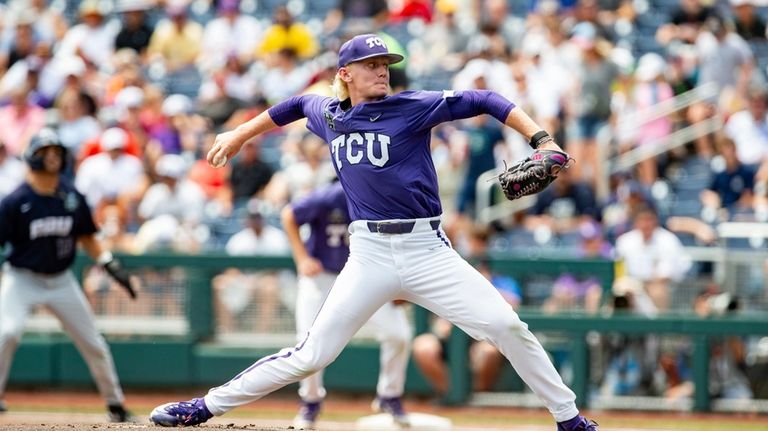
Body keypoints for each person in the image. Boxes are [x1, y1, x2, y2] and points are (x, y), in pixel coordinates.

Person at [150, 34, 599, 431]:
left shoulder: (412, 107)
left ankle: (570, 420)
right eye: (372, 64)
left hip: (427, 249)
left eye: (386, 64)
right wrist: (240, 134)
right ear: (345, 74)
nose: (383, 70)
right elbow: (288, 107)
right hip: (368, 254)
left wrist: (542, 140)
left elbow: (486, 98)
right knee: (311, 356)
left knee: (506, 325)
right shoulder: (326, 112)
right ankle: (204, 407)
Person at [0, 129, 135, 421]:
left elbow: (87, 238)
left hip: (61, 280)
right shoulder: (14, 201)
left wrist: (110, 264)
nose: (52, 157)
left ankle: (116, 406)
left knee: (93, 344)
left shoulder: (72, 195)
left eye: (56, 151)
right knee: (6, 333)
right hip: (22, 277)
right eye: (45, 151)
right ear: (32, 156)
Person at [281, 181, 412, 428]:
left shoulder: (384, 196)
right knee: (308, 341)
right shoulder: (330, 196)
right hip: (322, 276)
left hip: (365, 277)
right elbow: (289, 214)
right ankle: (310, 401)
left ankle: (389, 395)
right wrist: (302, 258)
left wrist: (399, 283)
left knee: (399, 334)